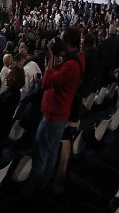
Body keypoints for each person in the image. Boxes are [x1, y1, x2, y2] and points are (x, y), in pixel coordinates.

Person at [31, 27, 85, 186]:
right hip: (60, 112)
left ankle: (35, 186)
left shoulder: (71, 66)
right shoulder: (79, 57)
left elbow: (46, 83)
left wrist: (50, 58)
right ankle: (46, 180)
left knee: (41, 151)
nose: (59, 41)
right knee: (52, 149)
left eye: (61, 39)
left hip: (53, 114)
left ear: (68, 42)